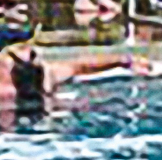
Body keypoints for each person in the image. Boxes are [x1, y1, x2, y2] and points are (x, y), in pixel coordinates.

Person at [0, 43, 151, 125]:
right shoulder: (44, 76)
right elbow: (79, 66)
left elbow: (79, 66)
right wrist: (123, 61)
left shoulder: (44, 76)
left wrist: (123, 61)